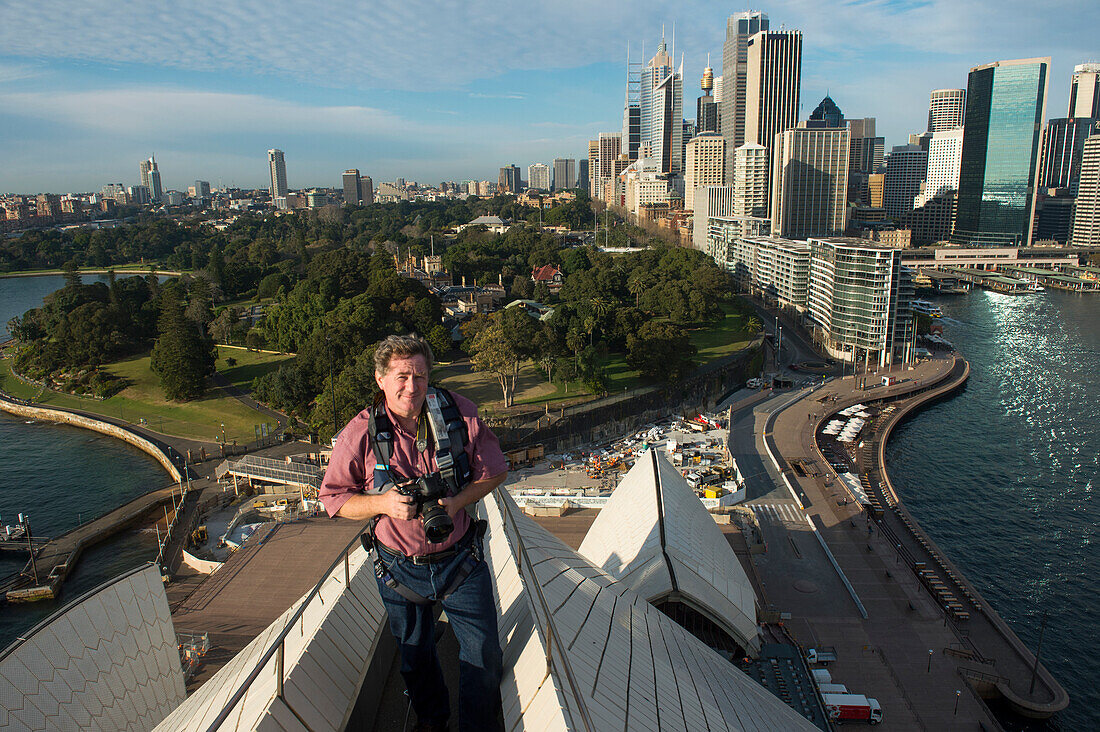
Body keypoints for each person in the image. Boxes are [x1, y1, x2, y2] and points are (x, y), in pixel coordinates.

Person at [320, 335, 507, 732]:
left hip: (460, 559)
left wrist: (457, 503)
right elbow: (334, 499)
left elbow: (496, 470)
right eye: (401, 376)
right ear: (380, 379)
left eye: (420, 376)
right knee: (414, 657)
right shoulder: (361, 434)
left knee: (485, 654)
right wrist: (383, 504)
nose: (412, 387)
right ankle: (432, 721)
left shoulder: (459, 415)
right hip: (399, 569)